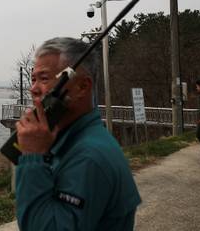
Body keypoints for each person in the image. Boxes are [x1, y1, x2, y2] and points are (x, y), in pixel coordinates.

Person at [15, 37, 141, 230]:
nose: (33, 89)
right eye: (33, 79)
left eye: (44, 78)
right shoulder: (69, 140)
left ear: (82, 87)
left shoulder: (89, 157)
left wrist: (33, 158)